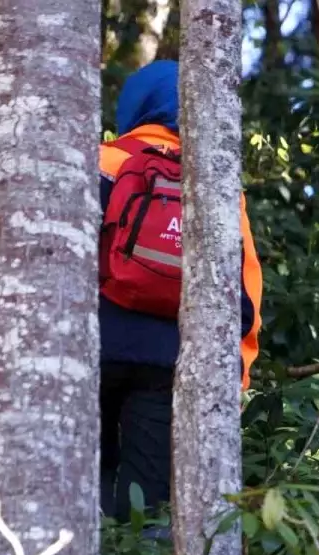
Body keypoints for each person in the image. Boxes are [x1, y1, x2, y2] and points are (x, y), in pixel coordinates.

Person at [99, 60, 263, 522]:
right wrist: (235, 381)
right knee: (146, 513)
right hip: (175, 366)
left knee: (78, 492)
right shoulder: (220, 186)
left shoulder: (102, 160)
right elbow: (246, 295)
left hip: (91, 352)